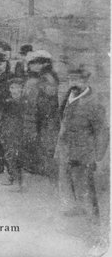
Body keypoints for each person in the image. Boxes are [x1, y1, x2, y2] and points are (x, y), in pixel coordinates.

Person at [55, 65, 109, 221]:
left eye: (78, 79)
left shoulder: (93, 102)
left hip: (84, 150)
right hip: (66, 147)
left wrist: (98, 154)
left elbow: (102, 130)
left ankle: (93, 217)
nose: (74, 82)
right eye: (71, 79)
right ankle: (75, 208)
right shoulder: (69, 96)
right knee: (66, 179)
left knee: (85, 184)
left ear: (86, 81)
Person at [25, 50, 60, 178]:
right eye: (31, 63)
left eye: (35, 63)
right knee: (38, 140)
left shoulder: (47, 78)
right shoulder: (38, 77)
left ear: (44, 64)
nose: (31, 66)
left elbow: (48, 99)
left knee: (45, 141)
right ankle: (37, 166)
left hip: (45, 116)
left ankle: (44, 167)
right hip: (38, 114)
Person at [0, 76, 29, 190]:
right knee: (8, 155)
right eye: (12, 87)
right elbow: (2, 118)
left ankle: (19, 182)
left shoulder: (25, 102)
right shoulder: (7, 102)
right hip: (8, 131)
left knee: (18, 157)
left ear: (22, 88)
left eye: (17, 87)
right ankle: (11, 176)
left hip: (20, 132)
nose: (14, 90)